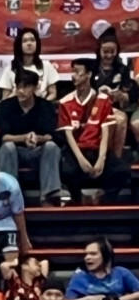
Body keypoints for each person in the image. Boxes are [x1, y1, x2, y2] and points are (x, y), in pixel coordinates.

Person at [57, 58, 129, 202]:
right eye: (72, 72)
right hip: (77, 151)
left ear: (89, 74)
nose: (73, 76)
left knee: (122, 171)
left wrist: (101, 159)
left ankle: (106, 198)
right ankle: (76, 198)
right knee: (66, 171)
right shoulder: (65, 102)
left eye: (77, 72)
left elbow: (105, 133)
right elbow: (69, 136)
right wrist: (82, 161)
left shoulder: (102, 100)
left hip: (97, 149)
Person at [0, 68, 66, 205]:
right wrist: (24, 138)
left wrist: (37, 138)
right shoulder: (5, 106)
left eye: (26, 86)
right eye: (18, 86)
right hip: (16, 151)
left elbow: (50, 135)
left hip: (39, 151)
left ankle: (49, 195)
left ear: (35, 87)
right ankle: (8, 195)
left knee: (52, 147)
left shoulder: (45, 106)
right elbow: (4, 137)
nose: (21, 90)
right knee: (7, 147)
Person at [65, 237, 139, 300]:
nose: (87, 257)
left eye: (93, 254)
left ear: (105, 255)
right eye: (86, 254)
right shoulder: (80, 277)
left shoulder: (121, 272)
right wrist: (88, 299)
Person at [0, 26, 61, 100]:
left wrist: (42, 104)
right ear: (19, 45)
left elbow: (53, 93)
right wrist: (18, 92)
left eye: (32, 40)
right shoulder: (10, 69)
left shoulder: (46, 66)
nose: (29, 43)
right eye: (25, 41)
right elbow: (5, 99)